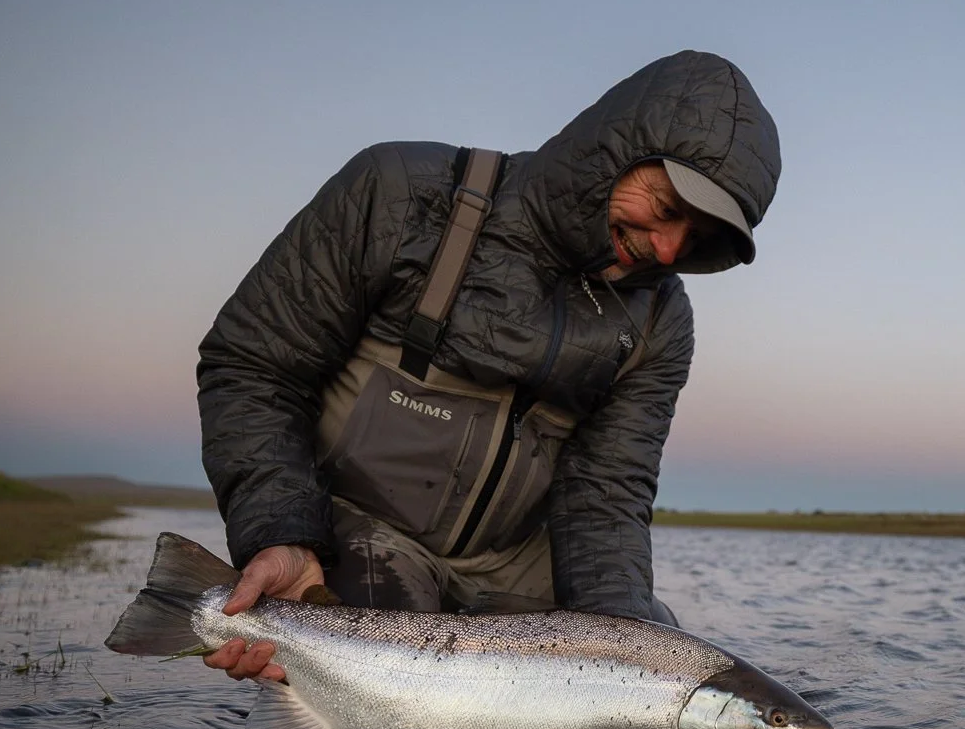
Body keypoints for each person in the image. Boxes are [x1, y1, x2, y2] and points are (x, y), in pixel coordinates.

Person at [197, 50, 781, 682]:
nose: (666, 249)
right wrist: (279, 533)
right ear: (614, 150)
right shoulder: (397, 193)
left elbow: (607, 492)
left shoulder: (659, 322)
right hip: (363, 535)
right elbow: (255, 367)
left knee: (664, 660)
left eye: (694, 238)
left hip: (515, 562)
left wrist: (621, 664)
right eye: (666, 209)